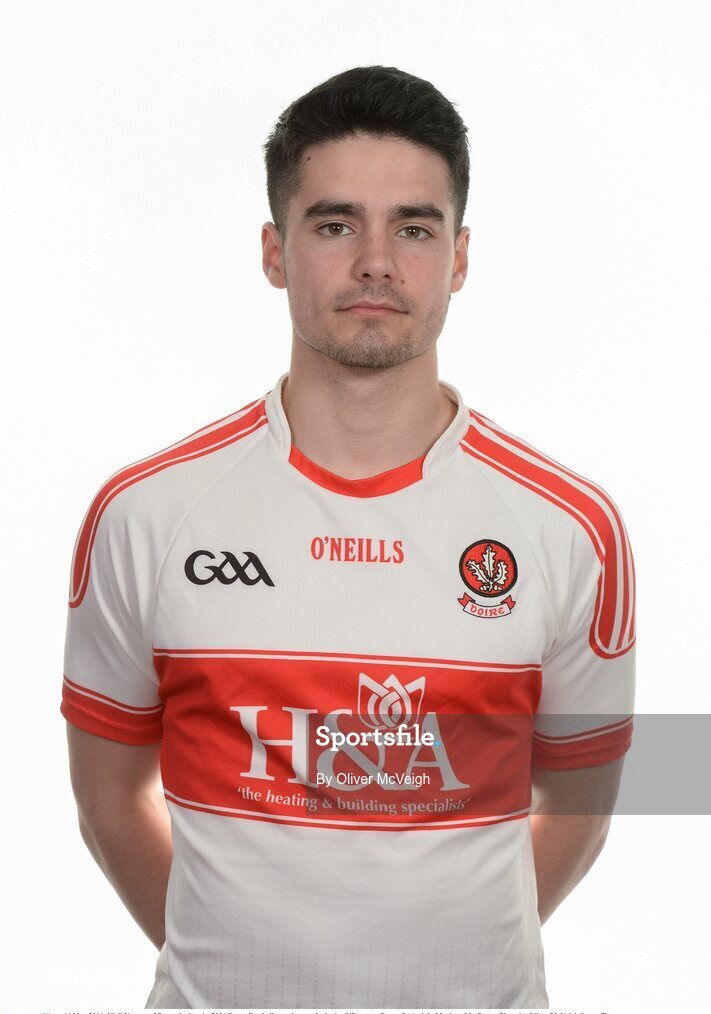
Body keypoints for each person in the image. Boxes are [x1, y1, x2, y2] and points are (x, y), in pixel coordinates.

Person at [61, 65, 636, 1009]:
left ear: (458, 257)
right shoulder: (145, 513)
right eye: (334, 225)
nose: (376, 261)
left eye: (413, 227)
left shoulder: (573, 528)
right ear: (274, 252)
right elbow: (105, 803)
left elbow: (583, 804)